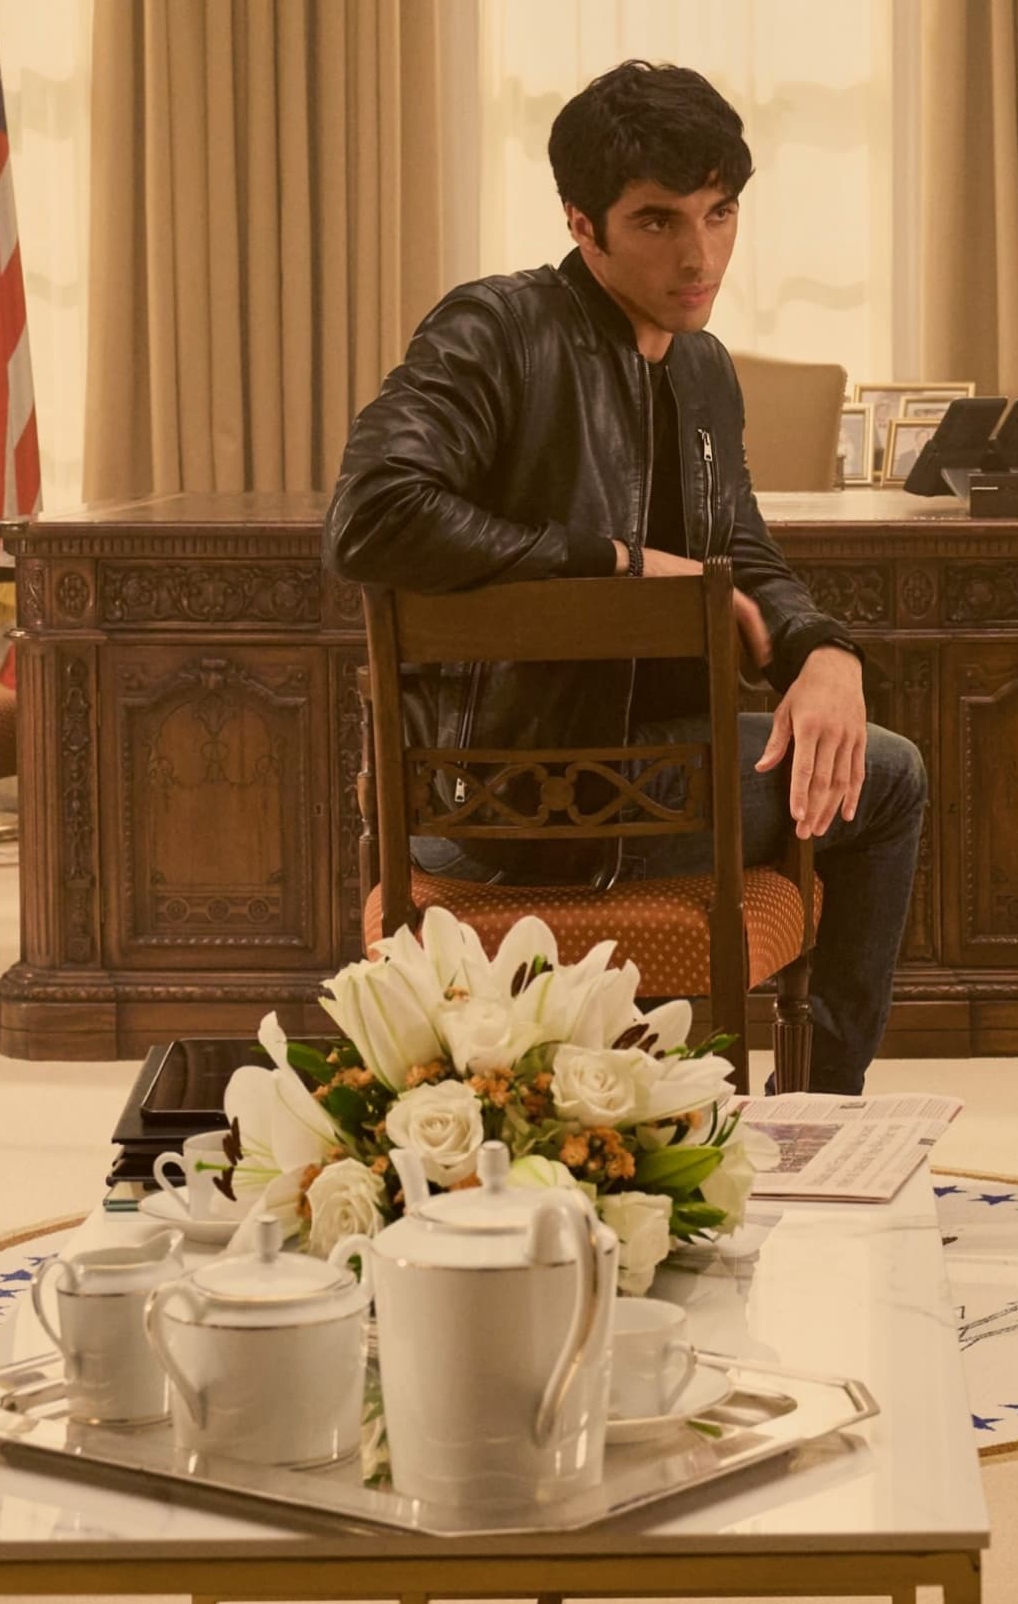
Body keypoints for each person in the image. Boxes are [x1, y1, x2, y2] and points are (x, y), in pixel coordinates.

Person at [325, 60, 926, 1090]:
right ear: (582, 224)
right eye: (658, 220)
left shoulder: (702, 368)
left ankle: (814, 1121)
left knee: (861, 750)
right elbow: (373, 513)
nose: (700, 254)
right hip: (502, 803)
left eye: (719, 213)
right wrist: (619, 562)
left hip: (653, 779)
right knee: (892, 777)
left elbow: (746, 554)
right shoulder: (494, 330)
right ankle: (821, 1112)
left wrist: (825, 654)